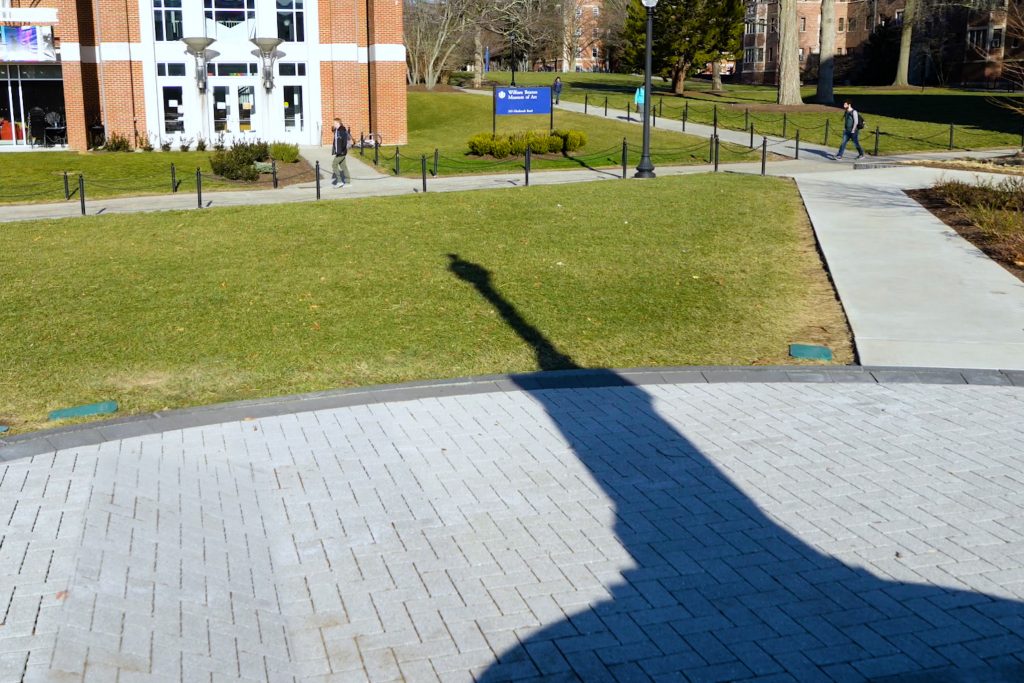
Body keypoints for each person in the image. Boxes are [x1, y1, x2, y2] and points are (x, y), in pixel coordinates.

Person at [330, 118, 350, 188]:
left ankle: (339, 181)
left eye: (335, 123)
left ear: (338, 123)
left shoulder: (341, 131)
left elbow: (344, 142)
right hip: (339, 152)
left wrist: (341, 150)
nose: (333, 124)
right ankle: (348, 182)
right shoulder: (337, 130)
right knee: (343, 166)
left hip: (341, 152)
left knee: (334, 165)